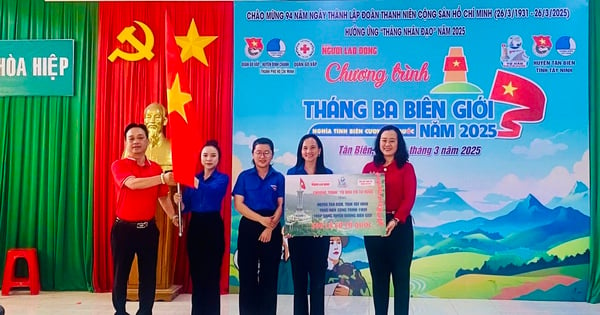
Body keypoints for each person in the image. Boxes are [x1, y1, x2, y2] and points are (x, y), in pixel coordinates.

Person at [111, 123, 180, 315]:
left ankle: (145, 311)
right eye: (131, 138)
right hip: (123, 230)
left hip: (148, 230)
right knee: (120, 275)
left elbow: (163, 197)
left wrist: (173, 215)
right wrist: (162, 178)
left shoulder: (156, 168)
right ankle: (120, 312)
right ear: (125, 142)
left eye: (140, 137)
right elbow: (132, 184)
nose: (136, 142)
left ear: (148, 141)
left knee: (148, 275)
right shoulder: (119, 165)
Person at [362, 125, 417, 315]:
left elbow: (409, 199)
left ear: (398, 143)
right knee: (379, 279)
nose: (387, 144)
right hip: (374, 227)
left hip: (400, 228)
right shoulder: (369, 168)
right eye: (384, 140)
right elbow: (363, 197)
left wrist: (395, 220)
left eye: (392, 140)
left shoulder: (406, 168)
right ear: (378, 143)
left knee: (401, 279)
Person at [173, 140, 229, 315]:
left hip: (213, 226)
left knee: (212, 274)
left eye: (213, 155)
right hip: (195, 226)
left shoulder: (222, 178)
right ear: (201, 157)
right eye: (205, 155)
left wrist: (191, 180)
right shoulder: (193, 179)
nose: (209, 159)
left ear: (218, 159)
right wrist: (179, 202)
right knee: (197, 274)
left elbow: (211, 193)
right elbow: (187, 207)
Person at [232, 137, 284, 315]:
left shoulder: (279, 178)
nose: (262, 156)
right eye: (258, 152)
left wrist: (270, 227)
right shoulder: (244, 177)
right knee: (247, 275)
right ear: (253, 155)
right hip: (249, 227)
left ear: (272, 155)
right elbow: (239, 204)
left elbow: (281, 206)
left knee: (269, 276)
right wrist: (261, 220)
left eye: (266, 152)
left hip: (272, 226)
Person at [286, 134, 332, 315]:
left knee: (318, 283)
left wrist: (324, 226)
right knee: (299, 284)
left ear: (319, 151)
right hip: (298, 236)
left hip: (320, 237)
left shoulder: (328, 174)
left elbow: (330, 205)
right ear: (300, 151)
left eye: (313, 148)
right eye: (305, 148)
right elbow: (289, 205)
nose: (309, 151)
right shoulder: (292, 174)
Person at [143, 102, 172, 170]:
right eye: (149, 117)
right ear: (145, 121)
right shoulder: (132, 149)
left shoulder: (174, 149)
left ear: (164, 121)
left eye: (157, 117)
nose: (152, 121)